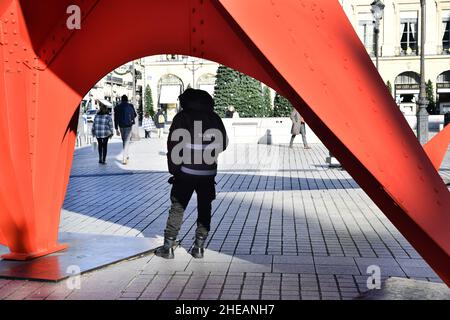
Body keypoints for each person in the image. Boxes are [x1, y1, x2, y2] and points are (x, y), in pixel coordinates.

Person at [155, 88, 228, 260]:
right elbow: (223, 143)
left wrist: (175, 171)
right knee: (205, 208)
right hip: (208, 172)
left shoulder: (182, 117)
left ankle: (168, 247)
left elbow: (173, 146)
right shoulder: (214, 117)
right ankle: (199, 248)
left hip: (185, 172)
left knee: (178, 207)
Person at [114, 95, 137, 165]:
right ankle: (124, 158)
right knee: (126, 141)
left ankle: (126, 155)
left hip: (121, 126)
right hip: (128, 125)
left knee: (124, 141)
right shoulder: (130, 106)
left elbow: (116, 118)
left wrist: (116, 128)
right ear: (127, 99)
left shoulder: (117, 107)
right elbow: (135, 115)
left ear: (121, 100)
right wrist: (131, 119)